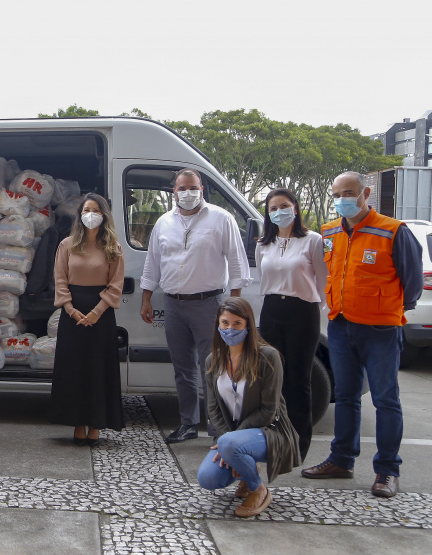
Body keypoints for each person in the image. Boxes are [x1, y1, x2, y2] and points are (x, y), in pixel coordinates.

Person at [301, 171, 423, 498]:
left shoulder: (394, 231)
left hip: (381, 329)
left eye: (349, 192)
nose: (343, 199)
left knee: (385, 400)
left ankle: (387, 470)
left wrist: (390, 311)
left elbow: (411, 283)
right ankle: (341, 459)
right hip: (341, 326)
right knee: (346, 398)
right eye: (337, 193)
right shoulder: (329, 232)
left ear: (365, 192)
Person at [139, 168, 251, 443]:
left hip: (209, 305)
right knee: (183, 368)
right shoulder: (164, 222)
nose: (188, 193)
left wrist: (234, 305)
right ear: (173, 191)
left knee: (213, 367)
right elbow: (152, 262)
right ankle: (187, 423)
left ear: (202, 189)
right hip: (174, 304)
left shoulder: (221, 219)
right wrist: (146, 298)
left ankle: (217, 429)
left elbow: (236, 261)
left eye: (193, 187)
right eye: (182, 188)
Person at [196, 297, 301, 518]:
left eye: (237, 324)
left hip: (270, 430)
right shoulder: (212, 360)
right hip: (232, 436)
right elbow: (213, 408)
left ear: (248, 325)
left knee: (229, 444)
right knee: (207, 478)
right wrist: (229, 443)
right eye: (225, 323)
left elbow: (269, 410)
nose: (230, 329)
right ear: (218, 324)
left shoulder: (267, 357)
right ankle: (244, 466)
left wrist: (231, 441)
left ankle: (258, 489)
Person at [255, 188, 327, 459]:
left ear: (295, 208)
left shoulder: (313, 240)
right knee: (273, 378)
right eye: (273, 208)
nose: (279, 212)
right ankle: (276, 438)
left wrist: (310, 307)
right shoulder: (263, 244)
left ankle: (298, 444)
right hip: (272, 310)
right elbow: (264, 277)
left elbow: (322, 281)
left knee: (299, 379)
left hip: (303, 312)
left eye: (283, 206)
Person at [50, 194, 125, 445]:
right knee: (74, 370)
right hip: (73, 314)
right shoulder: (67, 245)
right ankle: (77, 422)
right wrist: (70, 310)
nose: (89, 214)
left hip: (101, 315)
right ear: (79, 215)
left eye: (95, 210)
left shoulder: (113, 247)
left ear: (103, 215)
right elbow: (60, 280)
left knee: (97, 370)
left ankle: (95, 424)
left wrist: (97, 311)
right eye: (85, 210)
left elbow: (115, 285)